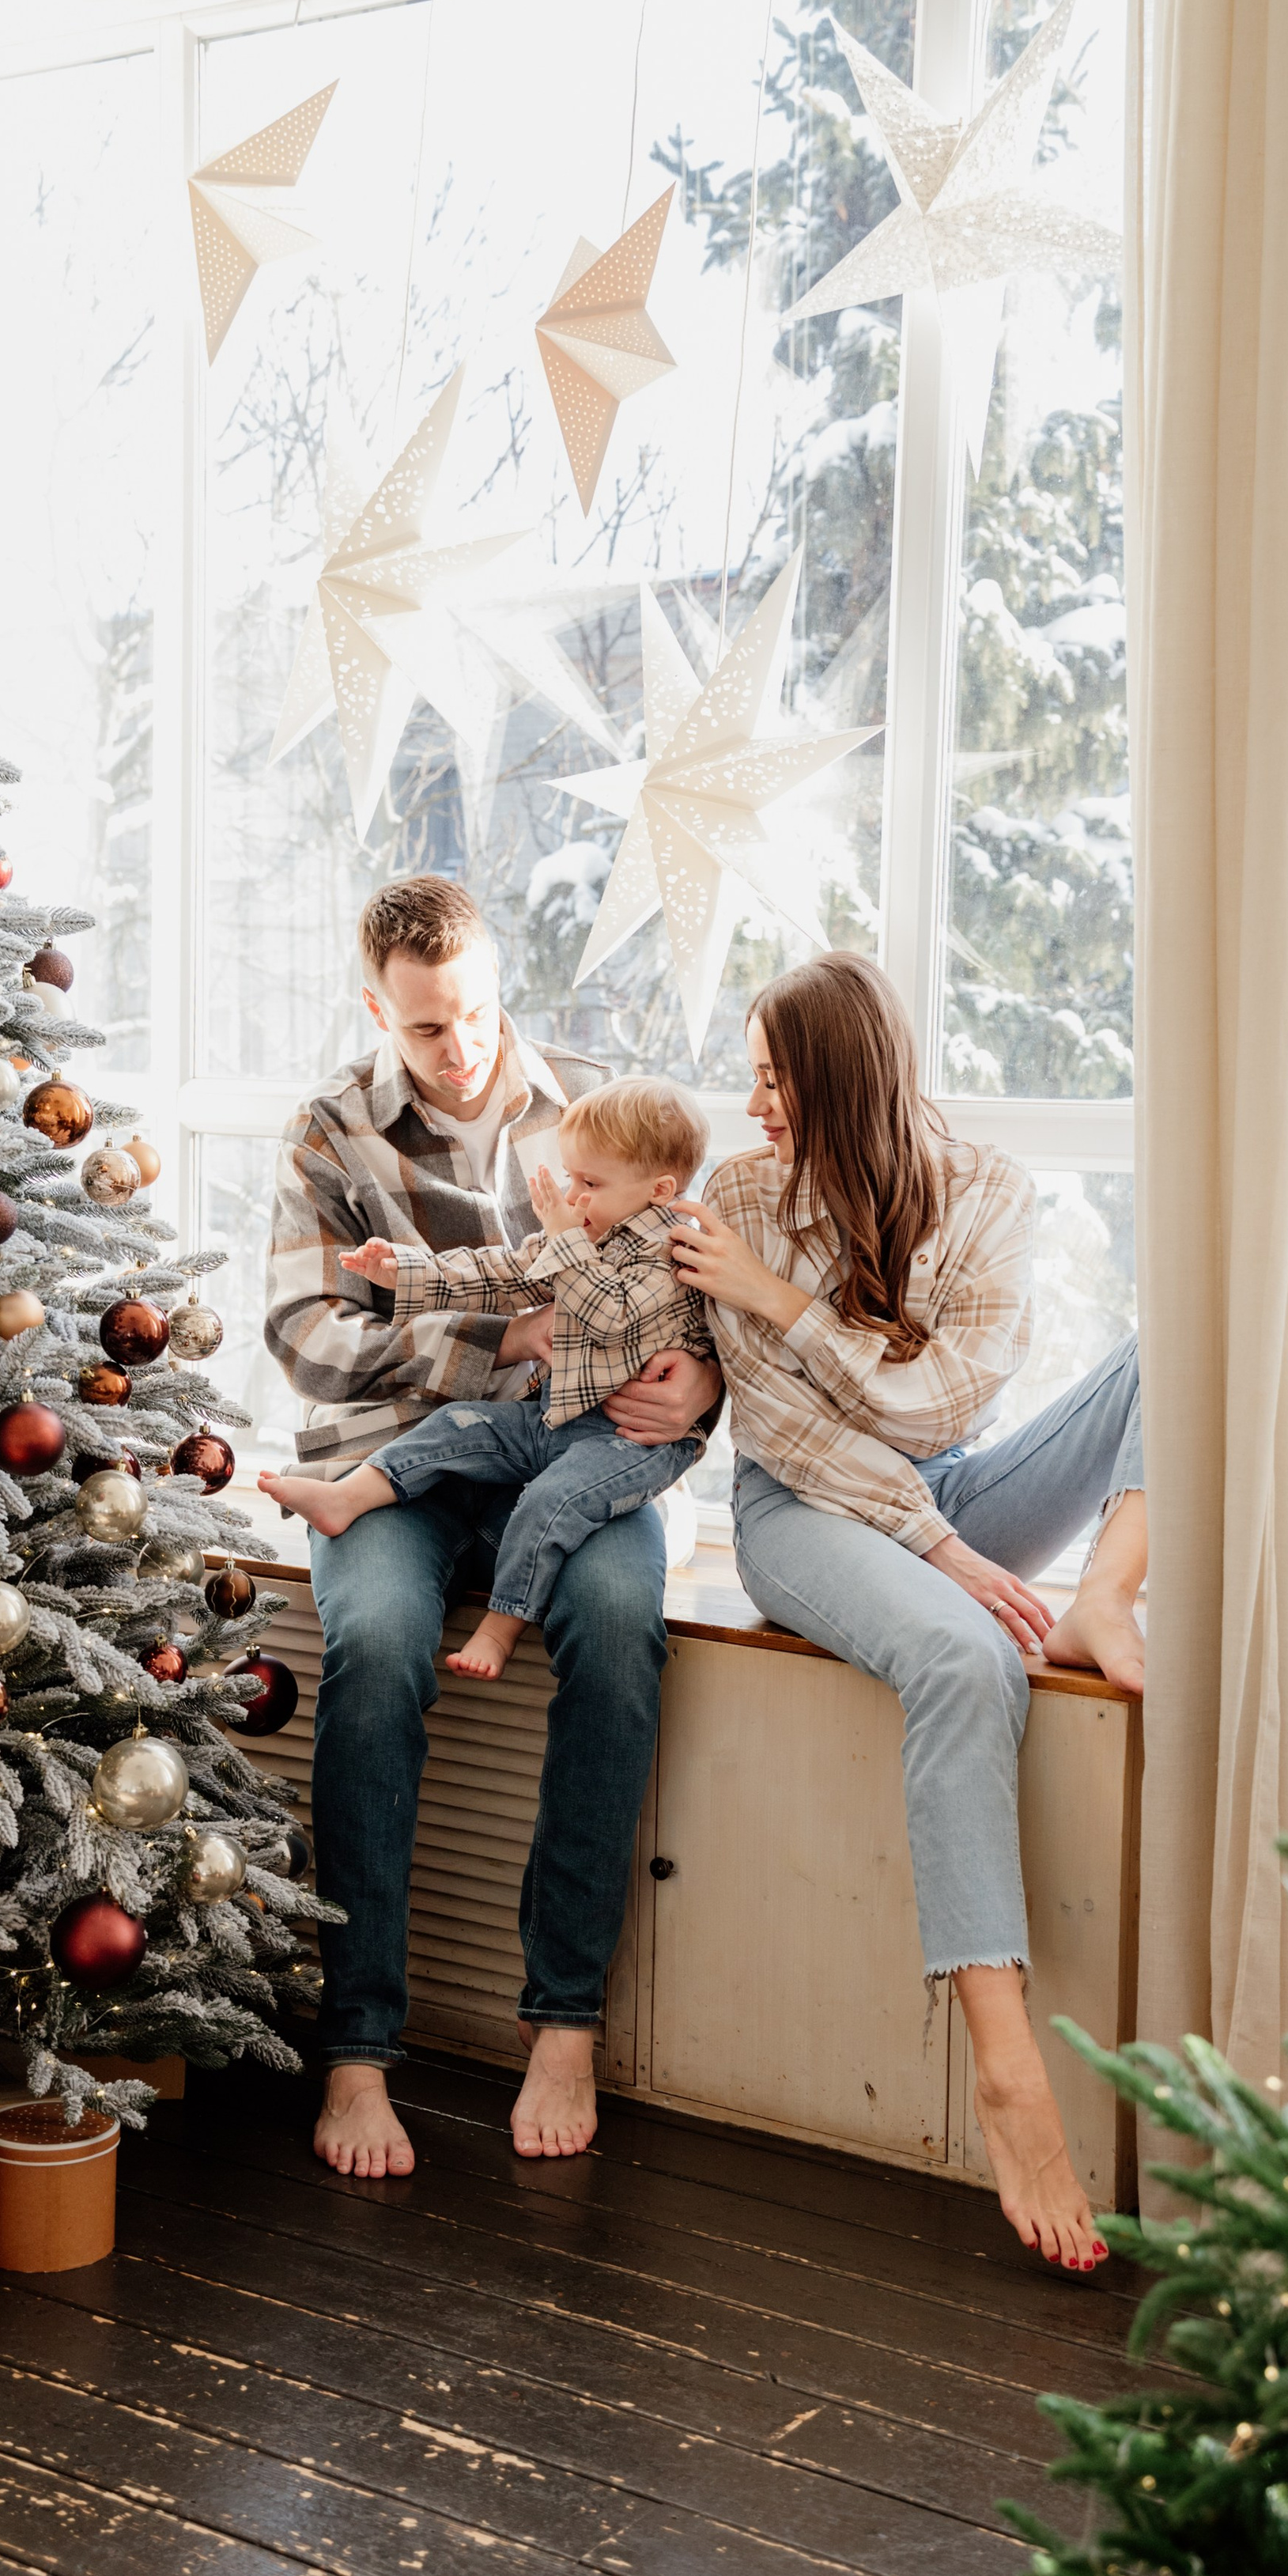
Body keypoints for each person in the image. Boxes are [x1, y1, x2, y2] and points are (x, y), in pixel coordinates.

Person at [667, 950, 1145, 2274]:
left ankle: (1108, 1593)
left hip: (957, 1492)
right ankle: (1006, 2068)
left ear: (844, 1080)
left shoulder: (988, 1190)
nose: (754, 1108)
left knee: (1171, 1352)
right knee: (963, 1655)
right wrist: (937, 1546)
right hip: (800, 1517)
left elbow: (941, 1408)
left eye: (776, 1081)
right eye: (751, 1078)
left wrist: (779, 1302)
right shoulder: (740, 1198)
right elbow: (786, 1436)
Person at [263, 876, 723, 2180]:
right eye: (425, 1031)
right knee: (382, 1647)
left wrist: (702, 1385)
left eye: (473, 1015)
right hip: (393, 1463)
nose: (461, 1050)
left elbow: (702, 1294)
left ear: (499, 977)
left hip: (580, 1458)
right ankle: (357, 2053)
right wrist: (495, 1343)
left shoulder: (601, 1110)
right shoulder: (329, 1135)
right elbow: (307, 1340)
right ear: (376, 1011)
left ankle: (562, 2022)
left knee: (627, 1622)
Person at [261, 1075, 713, 1682]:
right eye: (572, 1179)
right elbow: (506, 1271)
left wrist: (563, 1238)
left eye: (590, 1184)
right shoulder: (591, 1229)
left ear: (659, 1190)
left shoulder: (671, 1252)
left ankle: (500, 1628)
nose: (574, 1196)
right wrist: (408, 1274)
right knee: (455, 1425)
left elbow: (612, 1314)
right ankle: (347, 1496)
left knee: (551, 1505)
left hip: (623, 1445)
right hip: (550, 1419)